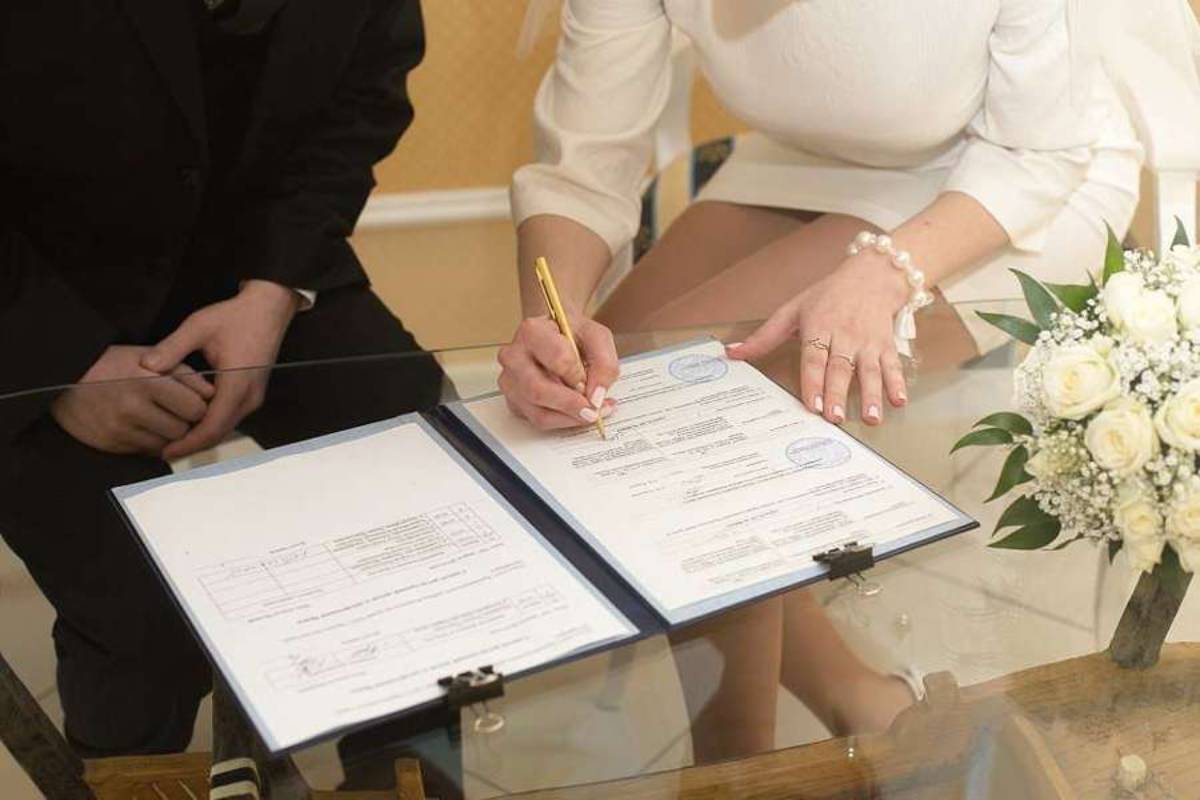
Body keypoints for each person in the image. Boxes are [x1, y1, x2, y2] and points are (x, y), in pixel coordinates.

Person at [498, 0, 1145, 761]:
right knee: (595, 414)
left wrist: (886, 272)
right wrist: (551, 319)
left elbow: (1042, 152)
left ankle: (735, 766)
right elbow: (585, 163)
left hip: (1017, 175)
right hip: (803, 158)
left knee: (691, 412)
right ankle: (865, 702)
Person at [0, 0, 444, 764]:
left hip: (250, 257)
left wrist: (272, 292)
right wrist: (57, 361)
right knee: (149, 615)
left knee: (432, 493)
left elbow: (364, 95)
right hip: (29, 292)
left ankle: (403, 775)